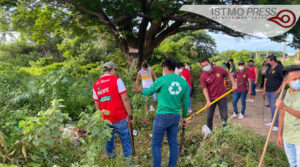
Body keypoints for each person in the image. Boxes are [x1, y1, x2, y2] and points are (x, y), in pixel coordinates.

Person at [135, 58, 189, 167]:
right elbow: (185, 102)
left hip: (162, 116)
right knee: (173, 143)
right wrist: (184, 117)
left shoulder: (161, 80)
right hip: (176, 116)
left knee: (156, 144)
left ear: (165, 68)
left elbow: (149, 92)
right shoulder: (183, 82)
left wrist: (140, 90)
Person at [92, 62, 132, 160]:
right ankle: (128, 162)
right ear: (112, 70)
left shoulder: (96, 84)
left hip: (106, 118)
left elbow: (97, 104)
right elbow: (125, 98)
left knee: (108, 141)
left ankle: (111, 161)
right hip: (120, 116)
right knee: (125, 140)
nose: (115, 72)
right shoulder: (117, 80)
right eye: (115, 70)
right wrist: (129, 113)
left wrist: (100, 117)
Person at [200, 58, 237, 131]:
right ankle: (209, 132)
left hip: (222, 97)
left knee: (224, 116)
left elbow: (229, 73)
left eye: (206, 65)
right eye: (203, 66)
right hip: (211, 98)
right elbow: (204, 89)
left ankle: (225, 132)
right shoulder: (203, 76)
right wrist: (207, 100)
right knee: (209, 117)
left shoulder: (218, 69)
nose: (205, 67)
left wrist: (234, 83)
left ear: (210, 64)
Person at [276, 65, 300, 167]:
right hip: (288, 137)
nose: (298, 81)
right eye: (294, 79)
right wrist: (279, 135)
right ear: (286, 81)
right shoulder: (285, 93)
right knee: (293, 164)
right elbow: (282, 116)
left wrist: (284, 107)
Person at [262, 55, 284, 131]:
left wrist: (279, 90)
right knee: (271, 107)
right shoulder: (269, 69)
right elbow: (266, 79)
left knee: (275, 108)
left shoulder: (280, 68)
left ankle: (277, 125)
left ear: (272, 60)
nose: (267, 62)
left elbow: (285, 80)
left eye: (268, 61)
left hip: (275, 91)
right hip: (268, 91)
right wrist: (264, 90)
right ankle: (273, 122)